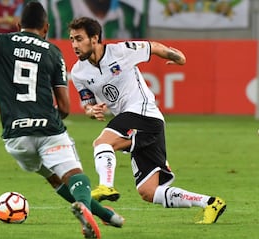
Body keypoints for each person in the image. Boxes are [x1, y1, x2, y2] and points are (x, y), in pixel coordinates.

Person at [0, 2, 123, 238]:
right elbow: (64, 107)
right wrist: (50, 116)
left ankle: (105, 215)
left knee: (52, 177)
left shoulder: (3, 41)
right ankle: (86, 207)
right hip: (48, 129)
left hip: (16, 138)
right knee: (73, 174)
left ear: (18, 25)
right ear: (46, 28)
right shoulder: (53, 52)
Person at [68, 16, 227, 224]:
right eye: (71, 39)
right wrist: (91, 111)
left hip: (144, 114)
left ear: (95, 38)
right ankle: (211, 203)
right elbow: (87, 102)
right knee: (149, 191)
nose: (74, 45)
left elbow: (153, 47)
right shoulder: (79, 72)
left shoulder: (121, 51)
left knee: (102, 143)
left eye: (79, 39)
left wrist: (178, 57)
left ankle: (106, 185)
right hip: (142, 125)